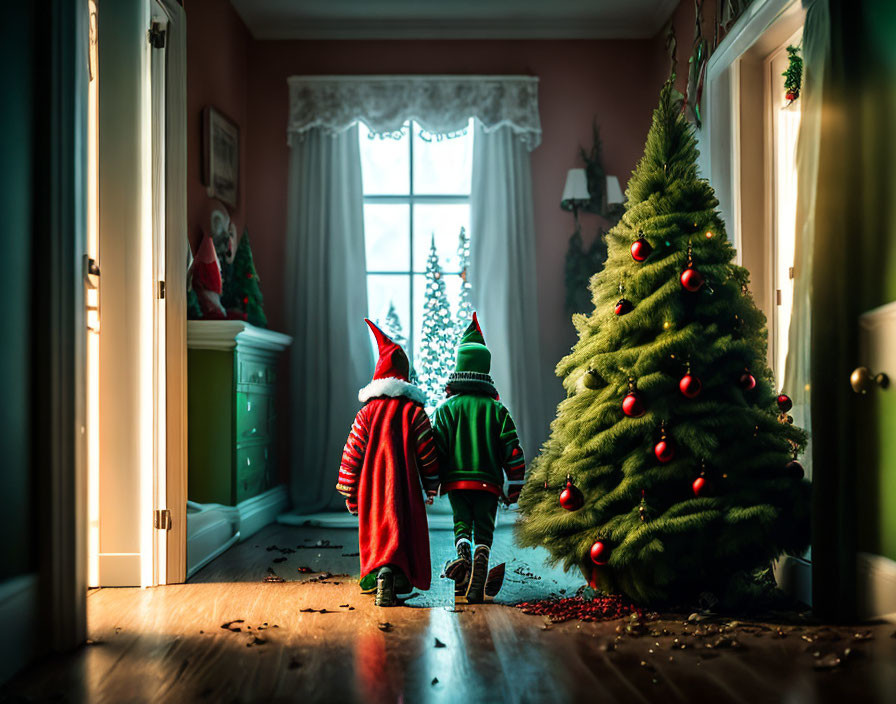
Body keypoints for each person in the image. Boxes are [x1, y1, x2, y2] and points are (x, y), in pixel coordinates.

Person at [337, 319, 439, 606]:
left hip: (372, 492)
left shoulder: (366, 414)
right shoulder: (414, 413)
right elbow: (427, 452)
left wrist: (349, 489)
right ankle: (397, 574)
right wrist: (431, 485)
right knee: (403, 534)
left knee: (378, 534)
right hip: (404, 490)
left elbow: (352, 452)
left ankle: (380, 573)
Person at [431, 313, 525, 603]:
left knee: (462, 522)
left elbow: (436, 451)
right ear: (485, 370)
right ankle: (482, 554)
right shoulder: (497, 411)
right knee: (484, 526)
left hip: (456, 483)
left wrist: (432, 483)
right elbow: (512, 449)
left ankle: (464, 558)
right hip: (489, 484)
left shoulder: (445, 410)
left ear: (459, 368)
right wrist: (515, 484)